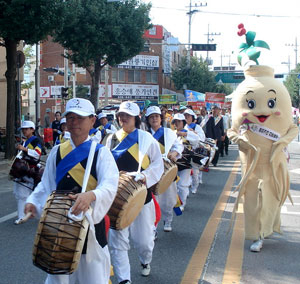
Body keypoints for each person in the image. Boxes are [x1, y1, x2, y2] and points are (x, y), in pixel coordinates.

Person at [25, 98, 119, 284]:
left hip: (90, 227)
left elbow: (110, 185)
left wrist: (92, 195)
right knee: (58, 278)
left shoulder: (101, 152)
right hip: (59, 226)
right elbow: (46, 184)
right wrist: (33, 201)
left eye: (80, 118)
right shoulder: (57, 152)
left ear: (92, 120)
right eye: (70, 118)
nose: (74, 122)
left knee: (93, 278)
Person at [105, 101, 164, 284]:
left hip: (141, 197)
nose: (123, 119)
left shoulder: (146, 138)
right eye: (121, 115)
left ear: (136, 118)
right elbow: (105, 165)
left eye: (128, 116)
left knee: (144, 242)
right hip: (117, 198)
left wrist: (145, 176)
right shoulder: (111, 138)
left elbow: (158, 164)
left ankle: (145, 261)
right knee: (118, 243)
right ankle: (124, 279)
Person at [145, 106, 183, 232]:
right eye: (151, 117)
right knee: (152, 201)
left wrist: (175, 153)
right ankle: (153, 228)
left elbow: (178, 145)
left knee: (169, 198)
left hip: (167, 171)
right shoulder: (145, 135)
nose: (154, 119)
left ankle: (168, 219)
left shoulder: (168, 133)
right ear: (148, 120)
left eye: (156, 116)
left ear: (160, 118)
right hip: (151, 171)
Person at [13, 120, 42, 225]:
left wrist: (24, 149)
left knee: (22, 194)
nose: (24, 131)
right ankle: (29, 212)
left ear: (32, 130)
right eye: (23, 129)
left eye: (26, 129)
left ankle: (21, 216)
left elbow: (38, 153)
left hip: (30, 169)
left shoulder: (35, 141)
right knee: (19, 192)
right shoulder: (24, 141)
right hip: (22, 169)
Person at [172, 113, 199, 211]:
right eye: (175, 121)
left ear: (183, 122)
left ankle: (182, 203)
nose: (177, 123)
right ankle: (175, 202)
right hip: (173, 164)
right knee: (173, 186)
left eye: (179, 121)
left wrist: (185, 134)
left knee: (182, 185)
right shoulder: (171, 133)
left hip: (185, 164)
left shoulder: (189, 132)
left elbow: (197, 140)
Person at [183, 108, 206, 193]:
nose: (186, 118)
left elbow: (202, 139)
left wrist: (194, 134)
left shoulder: (198, 127)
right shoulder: (183, 127)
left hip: (195, 152)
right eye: (185, 116)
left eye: (188, 116)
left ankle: (194, 187)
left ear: (192, 117)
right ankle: (185, 189)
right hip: (185, 153)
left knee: (195, 172)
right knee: (185, 172)